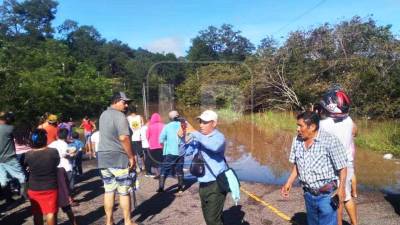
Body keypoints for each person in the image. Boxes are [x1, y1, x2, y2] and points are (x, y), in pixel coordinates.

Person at [281, 111, 348, 225]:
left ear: (312, 127)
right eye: (297, 125)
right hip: (308, 194)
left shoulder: (330, 140)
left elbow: (342, 167)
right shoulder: (297, 140)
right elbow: (297, 165)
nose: (297, 129)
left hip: (327, 196)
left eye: (300, 126)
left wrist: (341, 189)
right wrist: (288, 183)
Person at [97, 91, 139, 225]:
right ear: (116, 101)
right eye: (124, 102)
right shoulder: (120, 116)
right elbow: (123, 137)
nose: (126, 105)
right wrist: (131, 157)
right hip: (119, 158)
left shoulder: (103, 115)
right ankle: (128, 222)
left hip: (103, 157)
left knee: (109, 190)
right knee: (124, 191)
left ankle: (109, 221)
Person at [318, 88, 358, 225]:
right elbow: (355, 131)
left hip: (335, 167)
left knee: (337, 200)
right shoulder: (349, 119)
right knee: (347, 197)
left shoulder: (323, 124)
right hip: (348, 162)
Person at [183, 110, 228, 225]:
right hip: (203, 183)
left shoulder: (219, 137)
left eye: (205, 122)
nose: (201, 125)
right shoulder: (199, 137)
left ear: (214, 123)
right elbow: (186, 152)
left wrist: (194, 133)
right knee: (210, 216)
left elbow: (214, 146)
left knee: (212, 220)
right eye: (200, 122)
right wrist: (183, 137)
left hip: (216, 183)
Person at [24, 129, 60, 225]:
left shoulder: (28, 154)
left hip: (34, 188)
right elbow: (57, 163)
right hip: (50, 187)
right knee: (51, 212)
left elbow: (25, 167)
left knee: (37, 213)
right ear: (45, 139)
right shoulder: (53, 152)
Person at [0, 111, 27, 200]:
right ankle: (25, 196)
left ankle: (8, 198)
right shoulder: (9, 128)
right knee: (22, 177)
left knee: (4, 179)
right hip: (9, 158)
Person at [158, 110, 185, 193]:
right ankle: (180, 188)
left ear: (170, 118)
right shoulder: (184, 125)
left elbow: (161, 139)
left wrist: (165, 145)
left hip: (171, 151)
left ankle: (161, 188)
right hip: (181, 151)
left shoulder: (167, 126)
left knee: (164, 169)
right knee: (179, 169)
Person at [48, 128, 77, 204]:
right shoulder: (65, 145)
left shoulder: (53, 144)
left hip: (56, 167)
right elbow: (66, 155)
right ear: (67, 136)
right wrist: (73, 154)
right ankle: (69, 199)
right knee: (70, 184)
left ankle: (64, 199)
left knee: (60, 184)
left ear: (57, 135)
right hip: (66, 167)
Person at [146, 113, 164, 178]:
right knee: (161, 159)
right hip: (162, 146)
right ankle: (162, 173)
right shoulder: (163, 125)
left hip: (152, 146)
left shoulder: (150, 126)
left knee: (154, 160)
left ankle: (157, 173)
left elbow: (147, 136)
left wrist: (150, 141)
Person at [127, 105, 145, 172]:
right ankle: (143, 165)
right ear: (136, 110)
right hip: (140, 137)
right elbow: (143, 126)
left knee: (134, 153)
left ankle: (137, 167)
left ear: (129, 111)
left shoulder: (128, 118)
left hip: (132, 138)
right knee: (141, 153)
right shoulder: (140, 117)